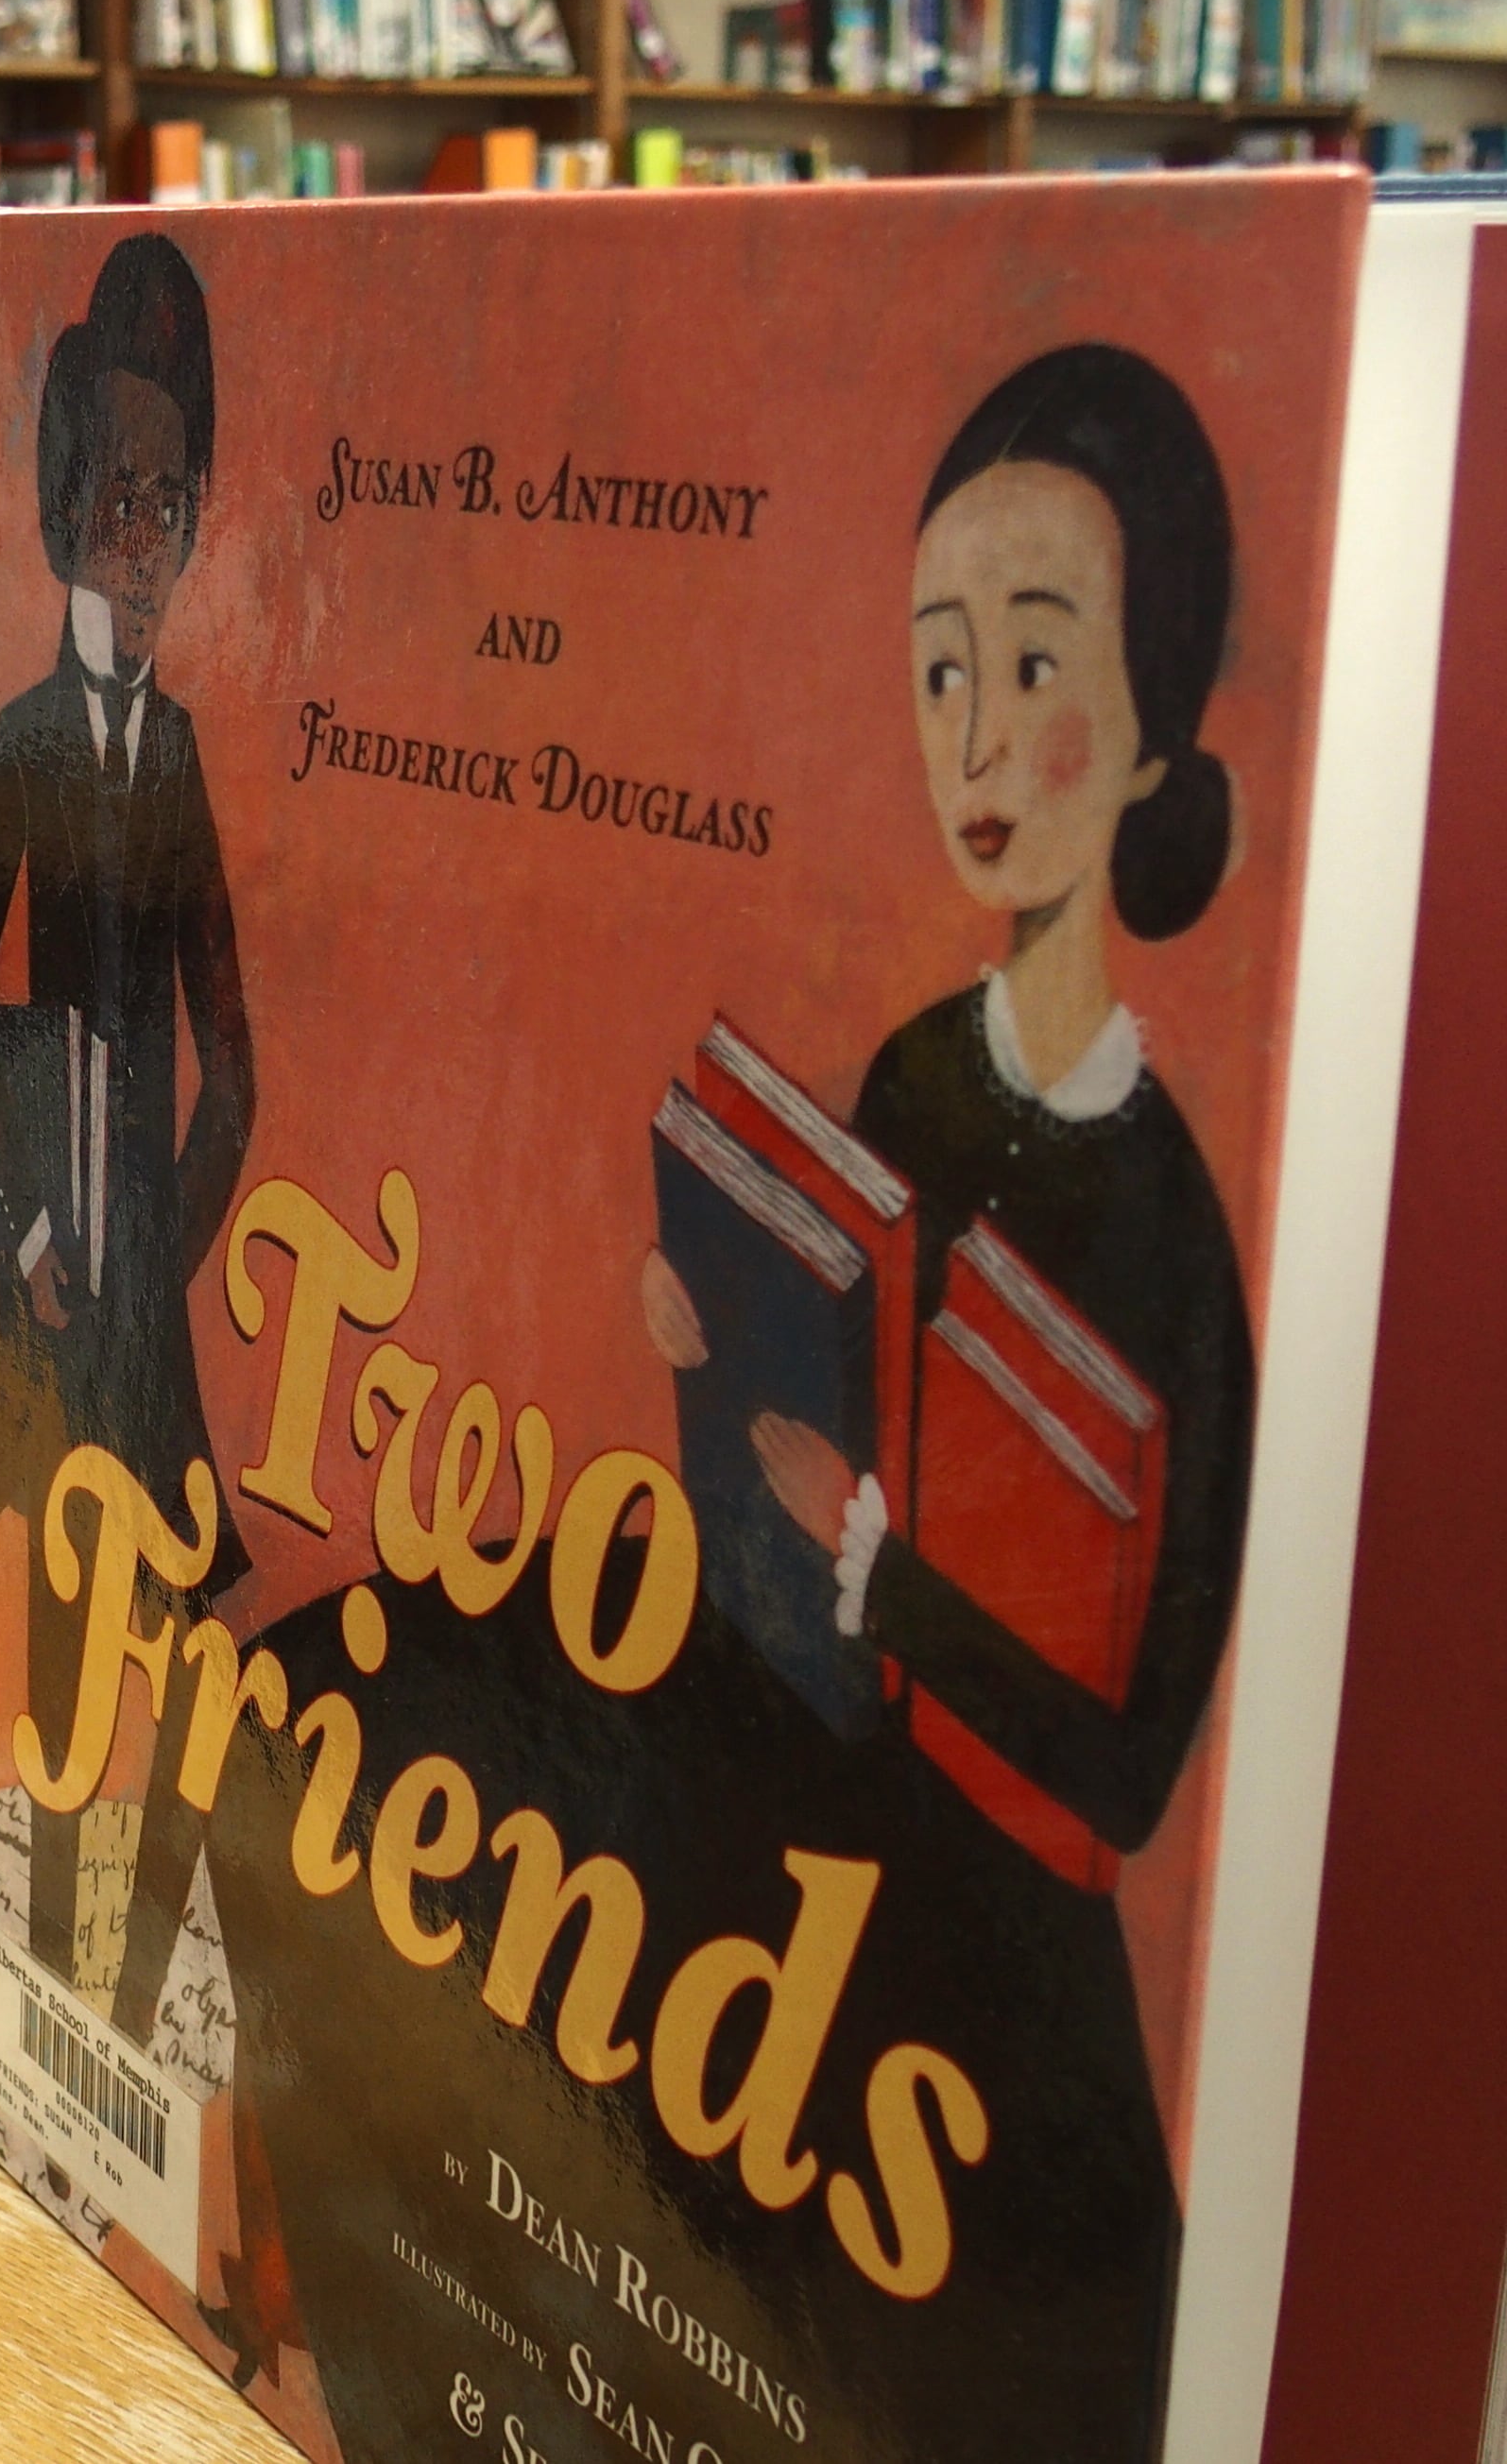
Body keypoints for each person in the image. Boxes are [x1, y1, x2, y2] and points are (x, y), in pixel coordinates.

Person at [641, 342, 1258, 2460]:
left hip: (1016, 1996)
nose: (977, 736)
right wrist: (715, 1376)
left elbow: (1128, 1770)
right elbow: (808, 1534)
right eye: (935, 672)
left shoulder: (1179, 1242)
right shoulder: (909, 1078)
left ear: (1158, 713)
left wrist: (884, 1576)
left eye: (1031, 657)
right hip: (840, 1899)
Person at [0, 233, 254, 2028]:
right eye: (120, 493)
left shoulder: (194, 753)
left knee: (201, 1637)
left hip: (151, 1291)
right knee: (69, 1620)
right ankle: (64, 1978)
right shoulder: (18, 738)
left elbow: (241, 1065)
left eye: (175, 498)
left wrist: (163, 1241)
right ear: (66, 509)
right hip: (55, 1280)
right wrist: (36, 1231)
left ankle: (131, 1984)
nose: (148, 532)